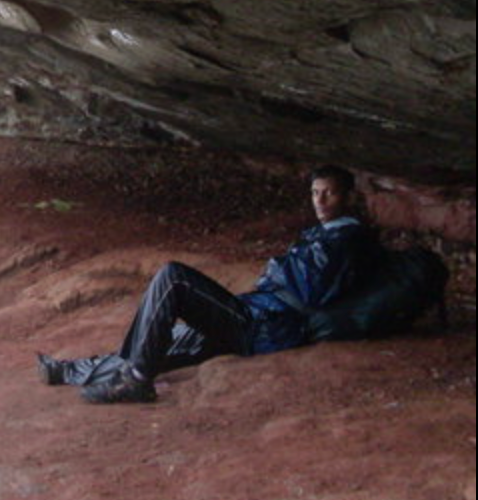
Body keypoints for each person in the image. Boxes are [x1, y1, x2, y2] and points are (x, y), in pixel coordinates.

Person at [38, 165, 380, 404]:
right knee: (160, 341)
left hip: (265, 327)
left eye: (329, 194)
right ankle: (67, 371)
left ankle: (137, 381)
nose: (319, 202)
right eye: (315, 193)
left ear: (348, 197)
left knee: (173, 278)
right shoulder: (327, 235)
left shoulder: (348, 240)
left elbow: (310, 290)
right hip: (258, 313)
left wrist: (278, 266)